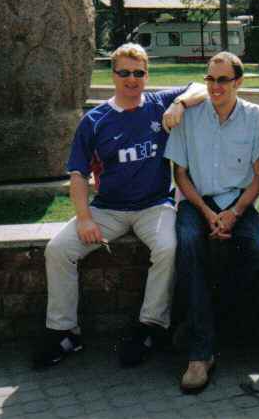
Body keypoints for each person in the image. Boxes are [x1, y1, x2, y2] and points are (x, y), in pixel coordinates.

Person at [34, 43, 206, 369]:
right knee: (58, 250)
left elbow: (201, 86)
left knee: (168, 248)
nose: (132, 79)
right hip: (108, 209)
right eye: (124, 72)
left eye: (139, 73)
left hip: (154, 206)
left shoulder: (158, 104)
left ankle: (150, 327)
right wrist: (84, 218)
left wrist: (180, 103)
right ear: (112, 75)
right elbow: (78, 175)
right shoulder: (95, 120)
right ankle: (63, 332)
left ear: (147, 76)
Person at [164, 52, 259, 394]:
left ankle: (208, 320)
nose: (215, 86)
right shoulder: (190, 116)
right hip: (197, 201)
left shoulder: (256, 117)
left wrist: (235, 213)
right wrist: (207, 213)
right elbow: (180, 173)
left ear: (238, 82)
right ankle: (200, 354)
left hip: (238, 202)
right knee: (189, 243)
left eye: (223, 80)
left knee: (256, 247)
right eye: (210, 79)